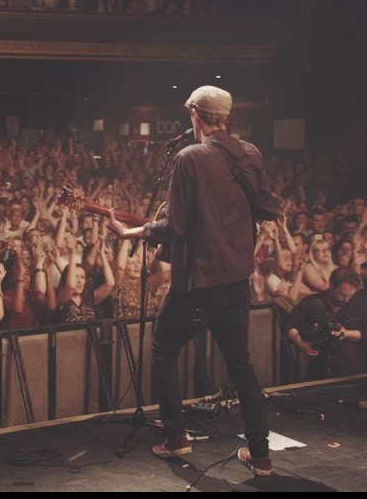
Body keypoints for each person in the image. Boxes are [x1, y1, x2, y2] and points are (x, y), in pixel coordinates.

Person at [110, 85, 274, 475]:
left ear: (195, 115)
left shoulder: (189, 158)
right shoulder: (251, 154)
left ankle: (176, 438)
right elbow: (266, 207)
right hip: (235, 278)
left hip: (197, 279)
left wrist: (134, 233)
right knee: (240, 364)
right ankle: (262, 456)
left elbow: (176, 226)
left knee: (164, 350)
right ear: (227, 117)